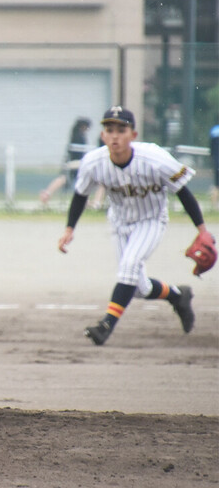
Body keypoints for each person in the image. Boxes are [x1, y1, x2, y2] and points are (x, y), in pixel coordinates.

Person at [57, 106, 210, 346]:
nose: (115, 135)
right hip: (119, 222)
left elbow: (182, 191)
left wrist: (202, 229)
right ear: (103, 135)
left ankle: (106, 325)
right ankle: (178, 296)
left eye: (121, 129)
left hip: (151, 220)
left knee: (128, 267)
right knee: (138, 287)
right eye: (110, 130)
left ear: (133, 135)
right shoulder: (93, 162)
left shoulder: (154, 158)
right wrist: (69, 229)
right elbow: (79, 195)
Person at [40, 117, 91, 205]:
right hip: (74, 162)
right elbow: (77, 151)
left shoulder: (75, 134)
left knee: (67, 179)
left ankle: (47, 193)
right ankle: (47, 193)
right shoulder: (79, 136)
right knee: (67, 179)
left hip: (73, 161)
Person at [210, 119, 219, 210]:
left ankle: (214, 206)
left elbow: (212, 149)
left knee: (216, 185)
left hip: (216, 162)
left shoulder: (214, 131)